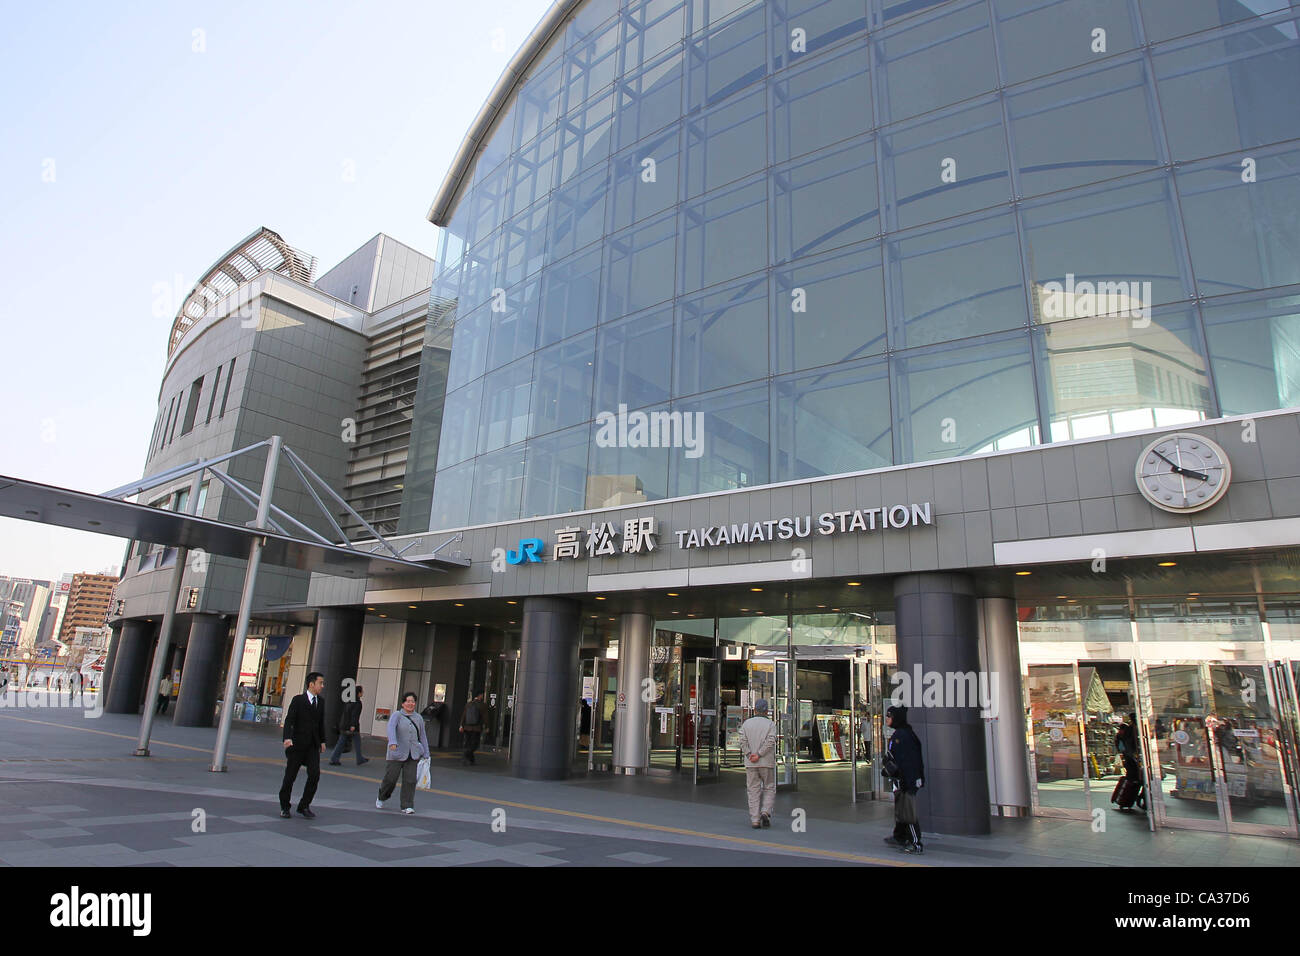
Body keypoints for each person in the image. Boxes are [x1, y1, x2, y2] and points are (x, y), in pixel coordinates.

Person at [279, 672, 327, 819]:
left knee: (314, 775)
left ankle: (304, 805)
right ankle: (285, 806)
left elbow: (320, 724)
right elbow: (289, 720)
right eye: (320, 683)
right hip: (297, 745)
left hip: (312, 746)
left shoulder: (321, 702)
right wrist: (287, 738)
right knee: (290, 776)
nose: (322, 686)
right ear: (311, 684)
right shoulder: (298, 700)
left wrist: (323, 741)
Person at [377, 691, 430, 815]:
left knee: (410, 780)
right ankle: (382, 797)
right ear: (403, 703)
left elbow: (422, 736)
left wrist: (426, 753)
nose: (410, 703)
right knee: (391, 779)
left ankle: (407, 805)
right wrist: (393, 742)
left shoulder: (418, 718)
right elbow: (391, 729)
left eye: (412, 701)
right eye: (408, 701)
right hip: (396, 753)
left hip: (413, 754)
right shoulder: (397, 715)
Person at [882, 705, 925, 854]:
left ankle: (916, 843)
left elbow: (910, 761)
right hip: (901, 780)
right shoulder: (900, 734)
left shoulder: (904, 736)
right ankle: (899, 836)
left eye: (889, 716)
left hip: (906, 781)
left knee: (908, 813)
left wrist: (910, 780)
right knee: (901, 810)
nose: (887, 719)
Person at [738, 698, 777, 829]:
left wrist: (750, 755)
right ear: (767, 711)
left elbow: (742, 741)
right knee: (769, 787)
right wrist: (760, 754)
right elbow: (770, 742)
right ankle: (765, 811)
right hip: (766, 762)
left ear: (754, 709)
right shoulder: (771, 725)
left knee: (753, 790)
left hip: (750, 763)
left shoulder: (746, 724)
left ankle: (754, 819)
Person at [329, 684, 370, 766]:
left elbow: (345, 714)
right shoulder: (358, 703)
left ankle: (334, 758)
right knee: (356, 741)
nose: (363, 693)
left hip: (344, 725)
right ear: (358, 693)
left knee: (341, 741)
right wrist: (353, 725)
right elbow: (355, 715)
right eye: (362, 692)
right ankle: (359, 758)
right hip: (352, 726)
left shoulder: (349, 701)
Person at [459, 693, 485, 766]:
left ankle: (471, 759)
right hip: (476, 728)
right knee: (475, 744)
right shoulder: (482, 705)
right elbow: (485, 717)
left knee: (468, 743)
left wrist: (461, 726)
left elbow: (464, 715)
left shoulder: (468, 704)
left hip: (467, 728)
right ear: (479, 695)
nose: (482, 696)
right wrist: (487, 727)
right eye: (482, 695)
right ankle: (466, 755)